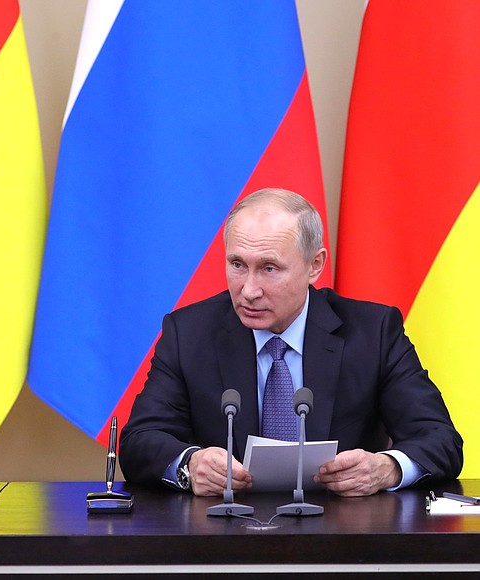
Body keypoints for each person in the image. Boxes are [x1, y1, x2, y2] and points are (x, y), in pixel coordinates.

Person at [119, 188, 462, 498]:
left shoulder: (373, 332)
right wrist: (189, 464)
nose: (249, 290)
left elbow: (440, 439)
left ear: (315, 265)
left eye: (269, 268)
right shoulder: (189, 333)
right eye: (237, 265)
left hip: (343, 533)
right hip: (222, 531)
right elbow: (139, 441)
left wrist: (387, 468)